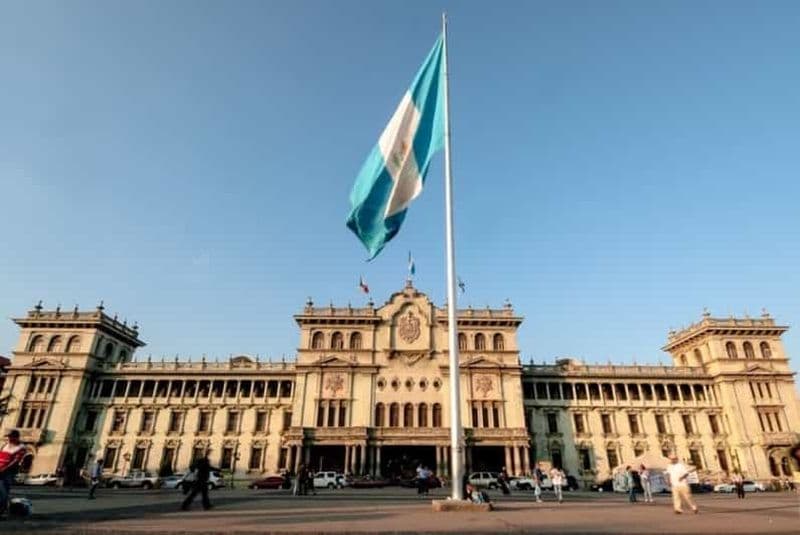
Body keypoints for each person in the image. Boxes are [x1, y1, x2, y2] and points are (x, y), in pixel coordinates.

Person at [0, 430, 27, 519]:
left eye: (11, 437)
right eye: (8, 437)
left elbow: (15, 461)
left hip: (8, 472)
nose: (9, 438)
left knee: (3, 491)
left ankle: (2, 511)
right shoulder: (5, 445)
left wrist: (4, 469)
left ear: (16, 437)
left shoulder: (21, 448)